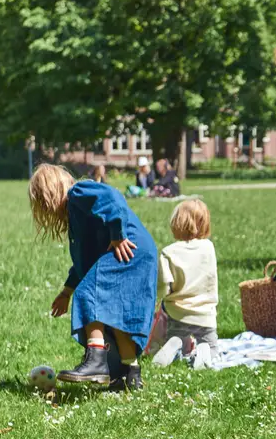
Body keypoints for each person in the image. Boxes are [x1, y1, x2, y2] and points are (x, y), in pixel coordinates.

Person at [29, 164, 157, 391]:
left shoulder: (78, 192)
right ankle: (130, 375)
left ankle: (96, 360)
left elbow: (113, 197)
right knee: (115, 318)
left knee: (89, 294)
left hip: (129, 246)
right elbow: (83, 265)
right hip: (140, 251)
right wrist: (66, 292)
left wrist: (117, 235)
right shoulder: (78, 220)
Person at [152, 199, 220, 370]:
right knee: (212, 347)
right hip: (205, 313)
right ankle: (205, 350)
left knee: (177, 335)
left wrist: (159, 300)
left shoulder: (168, 252)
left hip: (177, 312)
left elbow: (164, 285)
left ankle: (174, 344)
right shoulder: (208, 248)